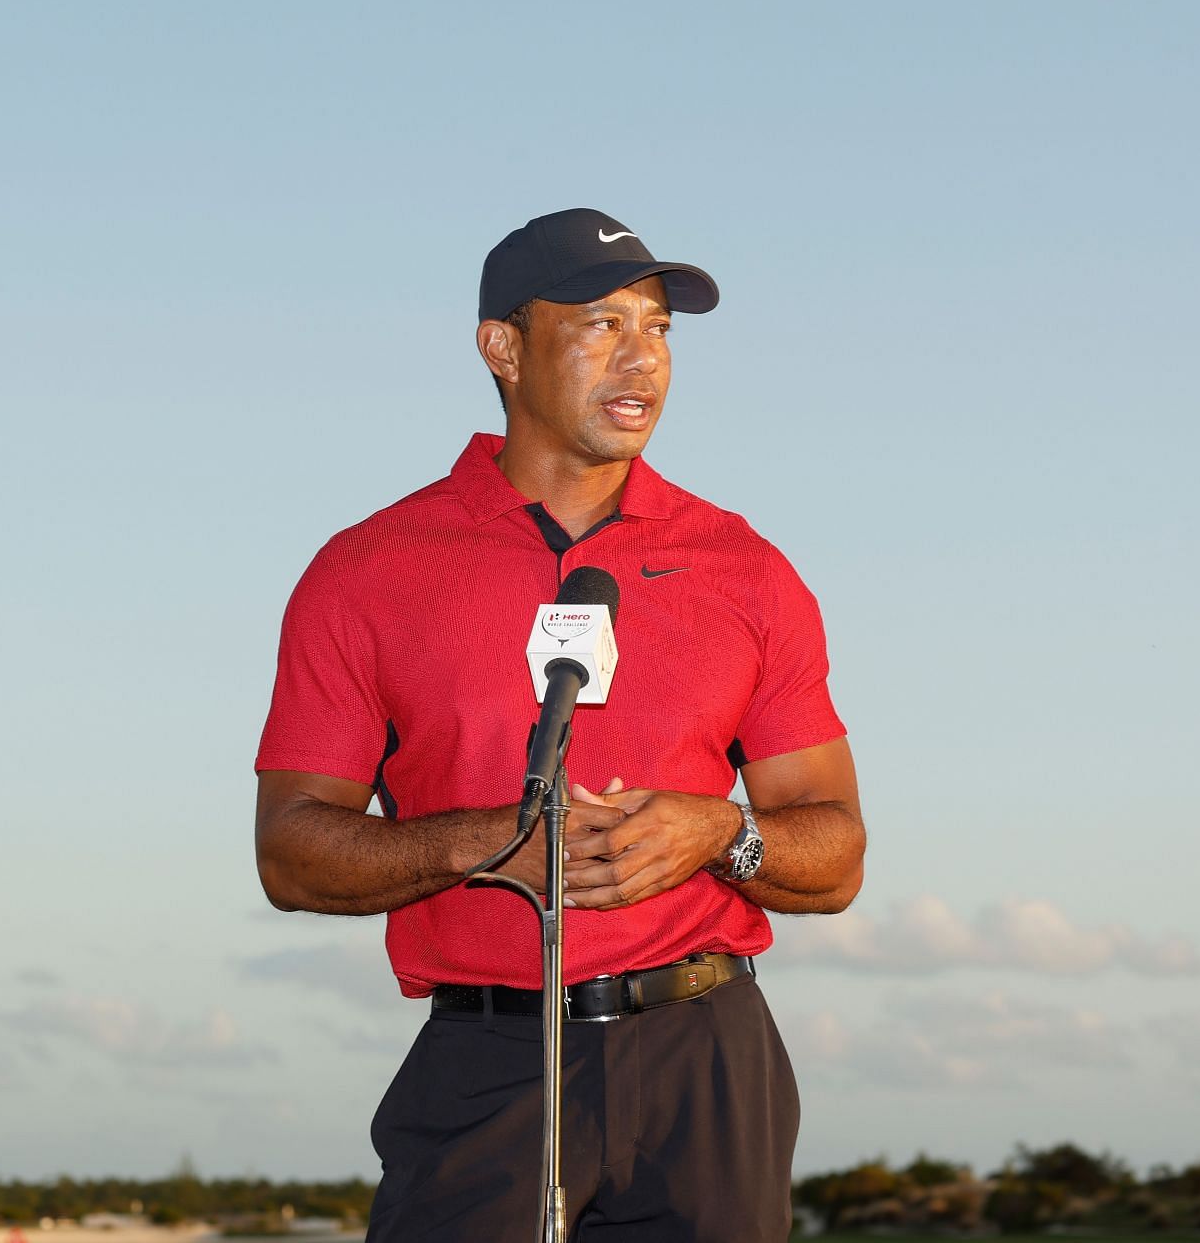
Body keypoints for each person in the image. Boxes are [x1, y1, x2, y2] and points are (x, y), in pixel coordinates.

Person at [253, 208, 865, 1242]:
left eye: (661, 328)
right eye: (602, 323)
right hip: (489, 1066)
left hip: (709, 1063)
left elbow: (836, 852)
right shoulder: (366, 572)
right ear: (503, 345)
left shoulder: (747, 569)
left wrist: (720, 834)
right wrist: (488, 843)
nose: (644, 359)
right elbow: (290, 852)